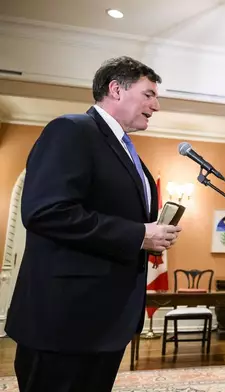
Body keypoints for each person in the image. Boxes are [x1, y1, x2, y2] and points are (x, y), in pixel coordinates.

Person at [5, 56, 182, 392]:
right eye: (149, 94)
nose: (156, 105)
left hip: (106, 322)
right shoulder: (71, 130)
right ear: (116, 89)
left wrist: (151, 233)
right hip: (65, 319)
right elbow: (46, 212)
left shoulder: (129, 153)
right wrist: (138, 234)